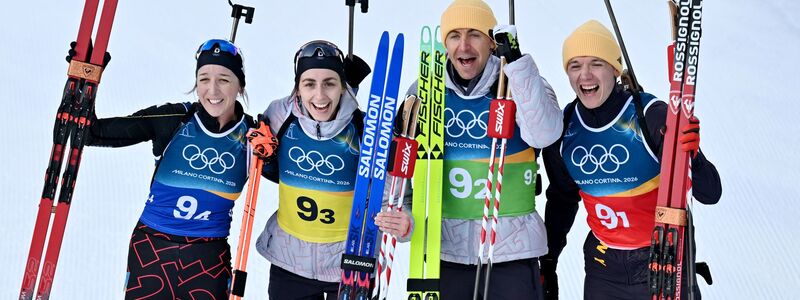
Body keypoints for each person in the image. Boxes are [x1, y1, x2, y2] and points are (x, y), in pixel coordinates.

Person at [540, 20, 722, 299]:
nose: (585, 75)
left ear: (615, 69)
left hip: (662, 263)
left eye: (596, 63)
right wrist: (548, 261)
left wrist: (693, 158)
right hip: (603, 268)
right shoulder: (565, 129)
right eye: (575, 66)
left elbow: (710, 193)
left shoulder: (650, 116)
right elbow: (562, 199)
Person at [85, 39, 274, 298]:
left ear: (240, 85)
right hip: (152, 249)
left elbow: (297, 174)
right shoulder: (173, 119)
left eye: (224, 80)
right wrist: (86, 79)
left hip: (207, 261)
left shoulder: (253, 137)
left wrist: (271, 155)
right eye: (204, 79)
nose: (212, 90)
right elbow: (89, 132)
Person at [402, 0, 563, 298]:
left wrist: (517, 65)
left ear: (491, 42)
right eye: (454, 35)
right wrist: (405, 214)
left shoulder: (522, 82)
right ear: (445, 44)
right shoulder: (425, 90)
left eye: (474, 34)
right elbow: (399, 162)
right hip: (444, 252)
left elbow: (545, 134)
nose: (464, 46)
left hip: (511, 254)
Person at [253, 40, 412, 299]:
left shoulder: (366, 131)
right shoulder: (280, 118)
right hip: (289, 265)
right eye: (309, 84)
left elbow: (396, 199)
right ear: (297, 88)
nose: (319, 96)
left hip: (351, 266)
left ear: (342, 86)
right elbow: (246, 150)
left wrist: (404, 223)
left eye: (329, 83)